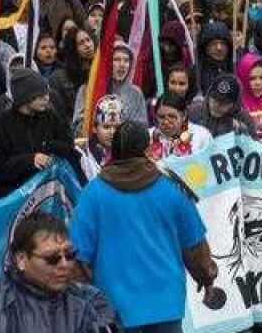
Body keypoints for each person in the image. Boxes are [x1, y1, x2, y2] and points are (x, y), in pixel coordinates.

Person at [70, 123, 217, 332]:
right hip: (166, 305)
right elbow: (194, 245)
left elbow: (77, 257)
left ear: (113, 149)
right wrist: (207, 278)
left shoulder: (93, 194)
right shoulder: (171, 190)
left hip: (113, 311)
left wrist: (84, 302)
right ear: (147, 149)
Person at [0, 213, 119, 333]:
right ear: (21, 260)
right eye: (52, 258)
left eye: (70, 255)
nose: (65, 265)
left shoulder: (91, 302)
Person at [0, 68, 82, 196]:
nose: (46, 99)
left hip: (49, 192)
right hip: (16, 196)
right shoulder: (0, 124)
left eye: (47, 94)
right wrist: (30, 160)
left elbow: (68, 146)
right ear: (25, 97)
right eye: (40, 96)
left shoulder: (51, 117)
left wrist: (48, 146)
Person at [148, 93, 214, 161]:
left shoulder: (202, 136)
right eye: (161, 117)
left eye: (172, 117)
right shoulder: (148, 136)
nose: (166, 122)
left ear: (184, 116)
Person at [187, 73, 255, 138]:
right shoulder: (193, 112)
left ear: (235, 104)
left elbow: (255, 144)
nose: (217, 105)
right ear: (208, 95)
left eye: (224, 102)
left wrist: (241, 130)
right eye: (214, 98)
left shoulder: (244, 119)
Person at [77, 95, 123, 180]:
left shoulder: (128, 150)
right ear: (94, 128)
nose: (112, 132)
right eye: (106, 127)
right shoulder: (83, 152)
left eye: (116, 127)